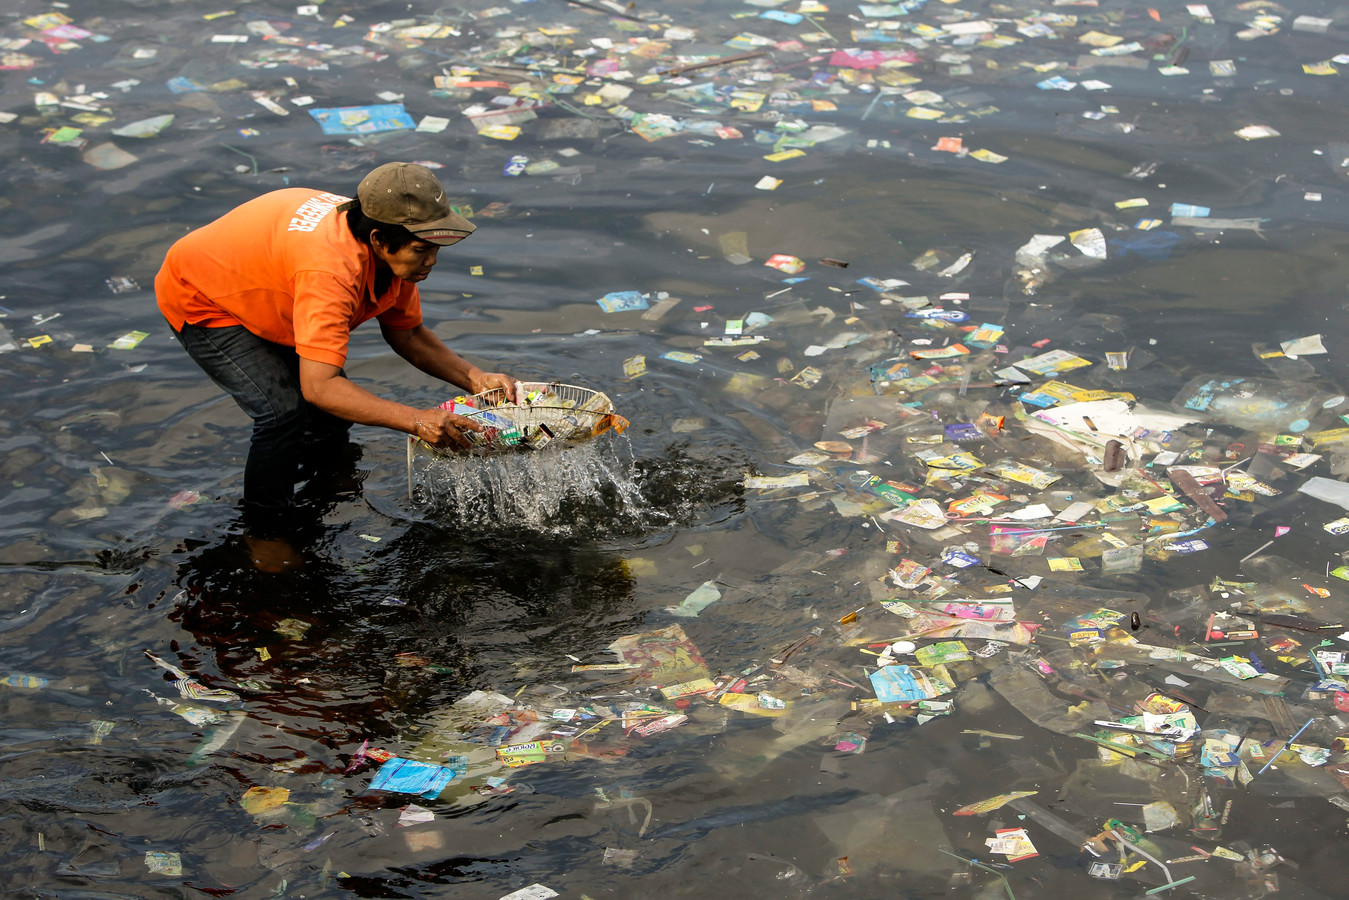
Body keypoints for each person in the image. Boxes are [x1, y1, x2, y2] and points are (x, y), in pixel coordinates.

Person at [156, 161, 515, 540]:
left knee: (329, 420)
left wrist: (475, 378)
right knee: (281, 413)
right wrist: (417, 420)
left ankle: (326, 487)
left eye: (436, 248)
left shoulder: (391, 248)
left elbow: (408, 334)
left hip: (274, 283)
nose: (432, 261)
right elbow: (320, 387)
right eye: (421, 250)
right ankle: (265, 534)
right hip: (205, 295)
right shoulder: (330, 272)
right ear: (379, 240)